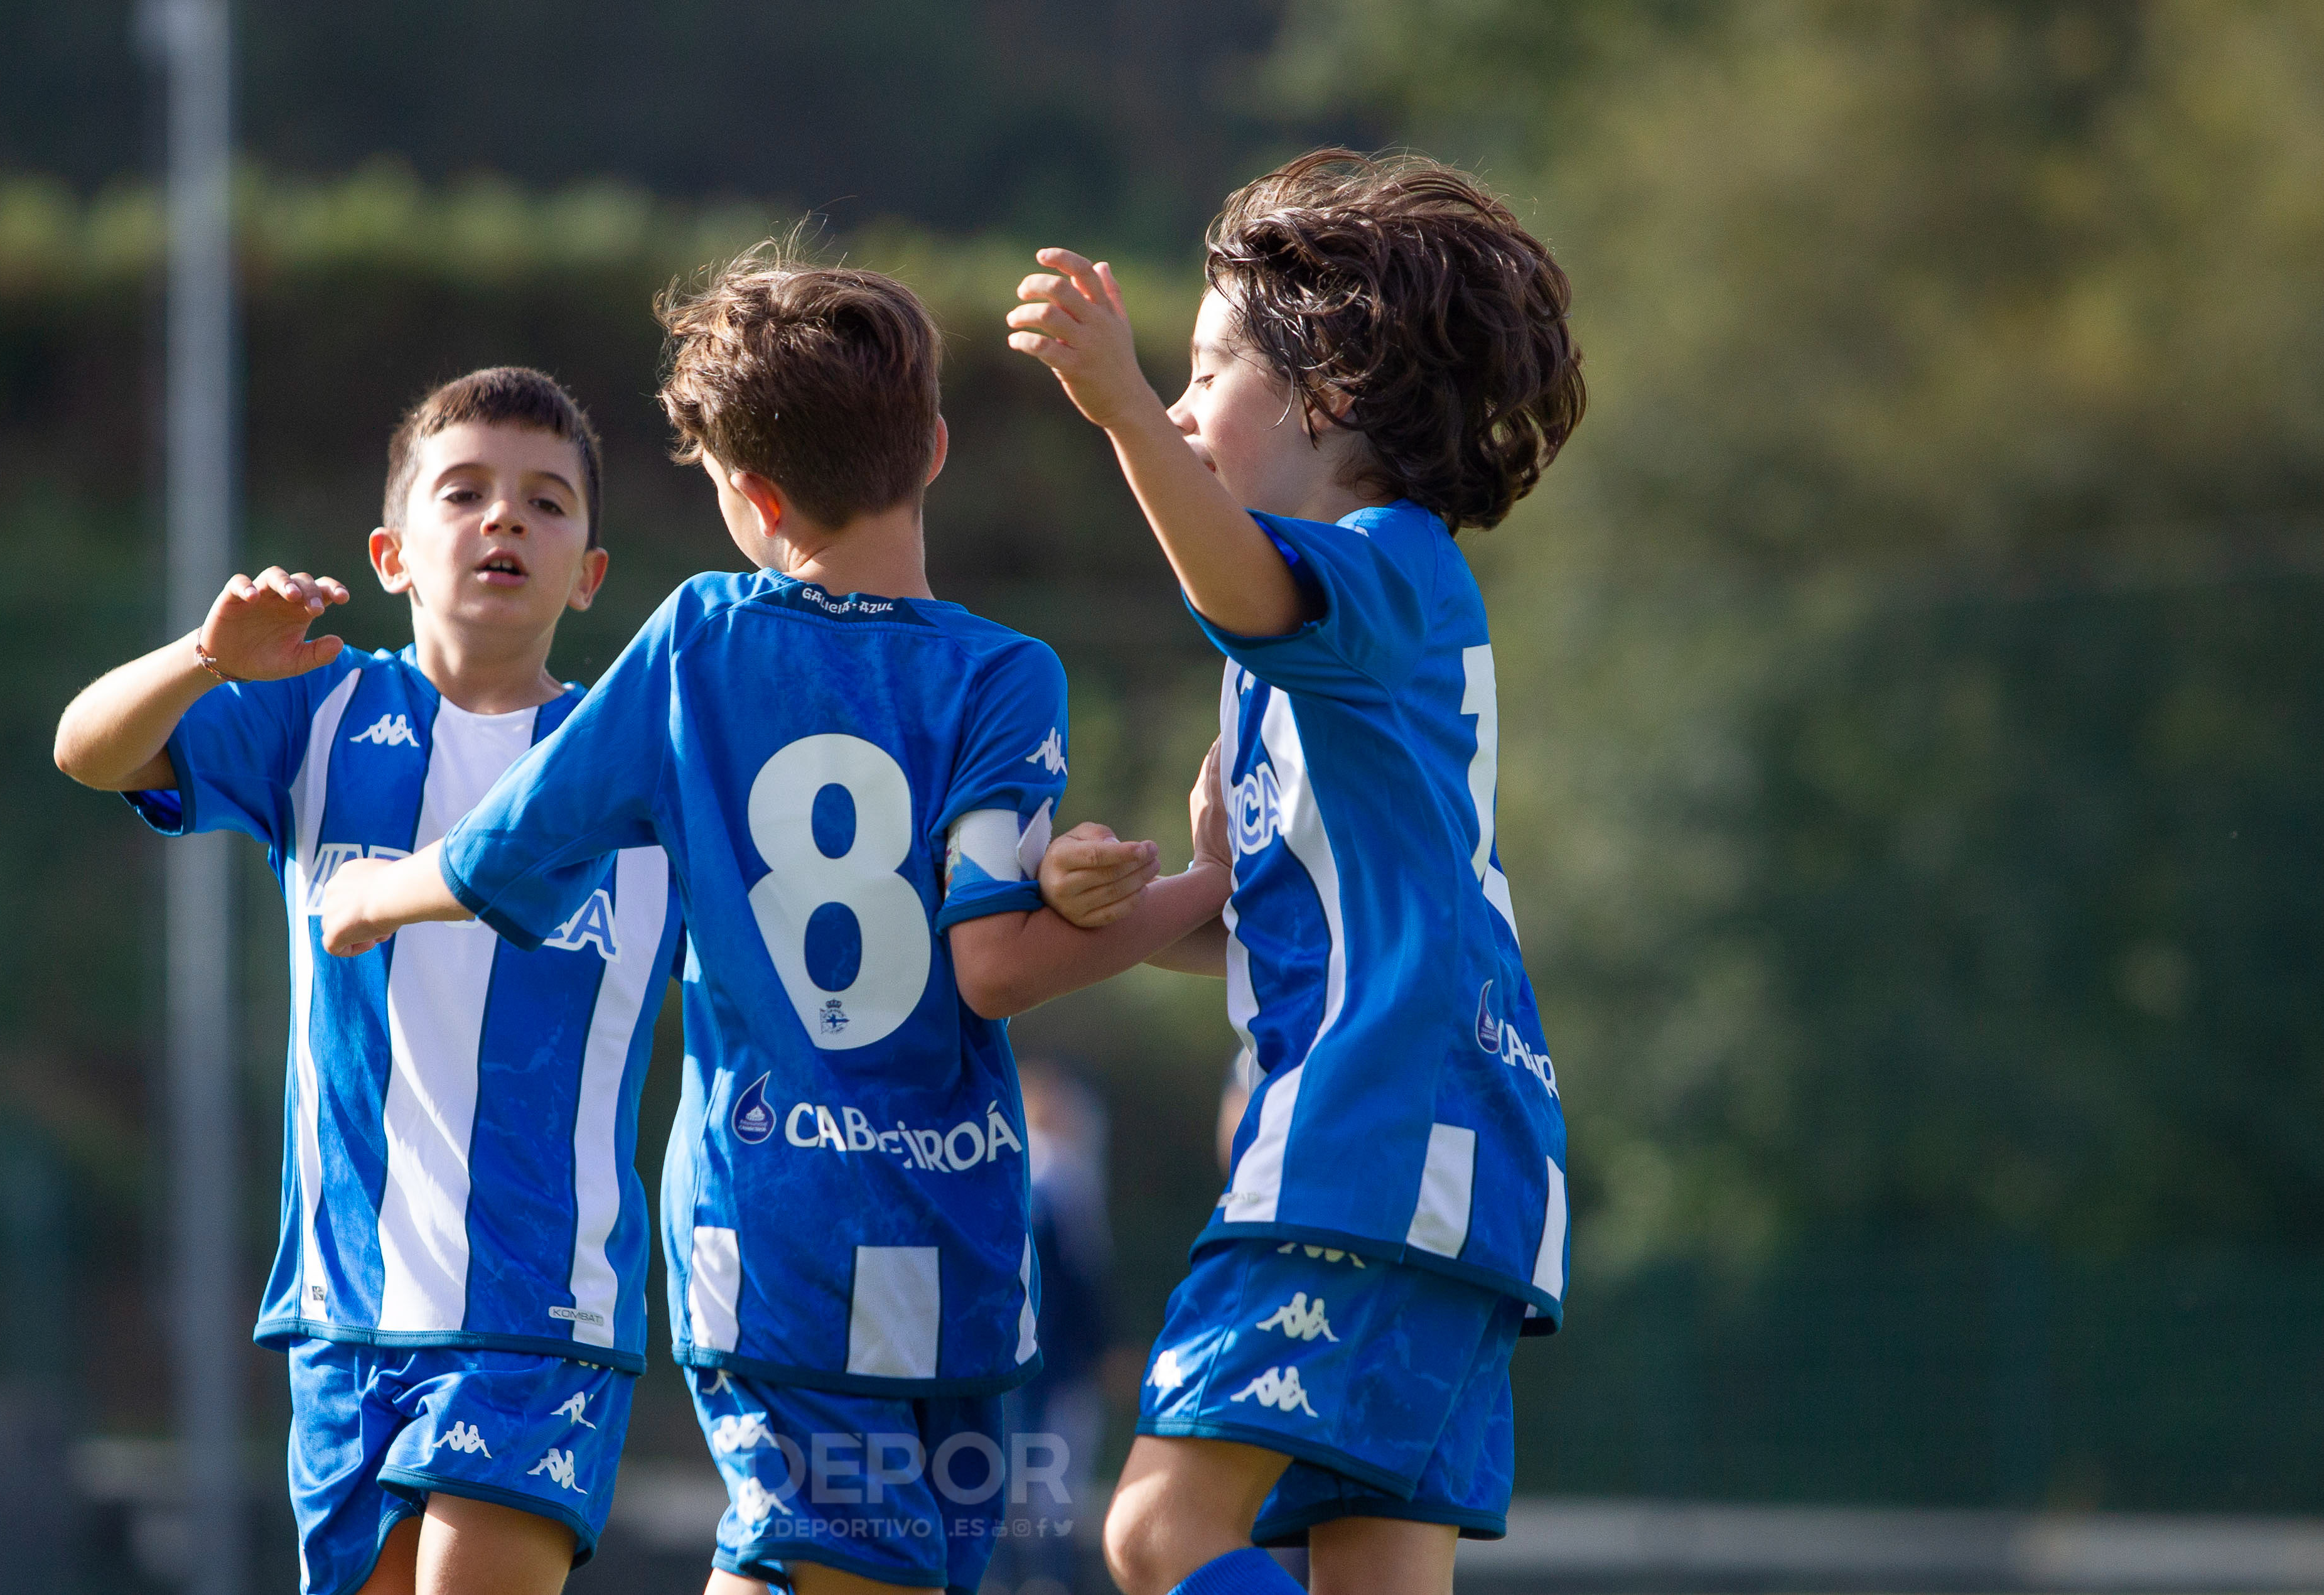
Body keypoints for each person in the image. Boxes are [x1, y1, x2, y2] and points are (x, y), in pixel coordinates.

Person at [315, 248, 1231, 1595]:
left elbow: (512, 847)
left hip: (772, 1233)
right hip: (959, 1239)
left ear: (748, 497)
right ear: (930, 445)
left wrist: (366, 893)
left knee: (831, 1567)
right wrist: (1185, 895)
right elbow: (999, 952)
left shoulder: (699, 642)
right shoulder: (1005, 675)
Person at [1008, 151, 1586, 1595]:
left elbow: (1239, 584)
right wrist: (1152, 902)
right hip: (1456, 1156)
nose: (1188, 406)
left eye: (1209, 373)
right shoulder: (1316, 666)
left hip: (1372, 1140)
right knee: (1367, 1571)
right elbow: (1302, 915)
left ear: (1329, 385)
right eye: (1179, 380)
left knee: (1156, 1529)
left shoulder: (1387, 564)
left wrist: (1123, 407)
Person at [52, 368, 679, 1595]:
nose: (505, 519)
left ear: (589, 574)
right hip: (344, 1311)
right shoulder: (318, 712)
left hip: (541, 1313)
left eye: (548, 503)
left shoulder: (638, 755)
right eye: (466, 492)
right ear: (391, 552)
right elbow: (88, 748)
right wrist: (201, 657)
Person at [992, 1059, 1114, 1595]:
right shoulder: (1061, 1180)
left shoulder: (1010, 1174)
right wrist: (1102, 1350)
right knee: (1048, 1499)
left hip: (1005, 1363)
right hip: (1053, 1365)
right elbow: (1083, 1282)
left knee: (1009, 1492)